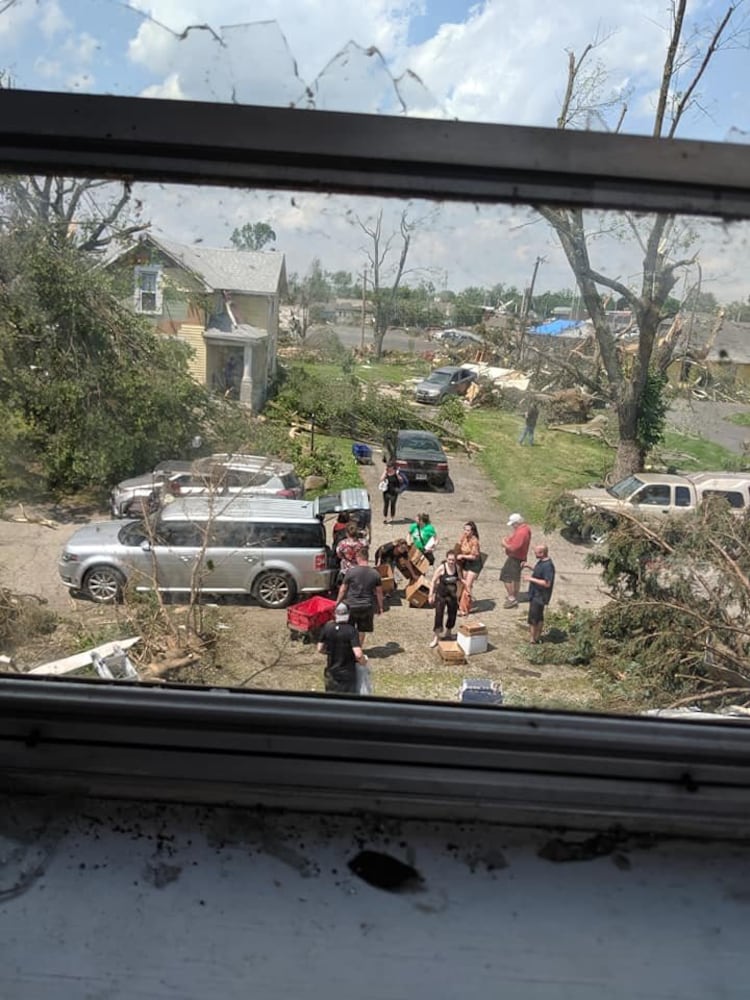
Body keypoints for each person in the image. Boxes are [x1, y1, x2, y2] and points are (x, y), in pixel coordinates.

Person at [337, 549, 384, 648]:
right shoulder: (375, 573)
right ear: (367, 558)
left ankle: (348, 648)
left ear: (358, 558)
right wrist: (380, 607)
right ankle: (358, 648)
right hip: (367, 606)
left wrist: (337, 602)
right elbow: (379, 592)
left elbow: (343, 589)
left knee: (349, 627)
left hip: (352, 605)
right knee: (362, 630)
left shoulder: (351, 572)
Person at [317, 602, 367, 693]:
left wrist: (328, 652)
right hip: (347, 673)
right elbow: (358, 654)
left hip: (331, 671)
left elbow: (320, 648)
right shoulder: (351, 631)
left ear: (335, 614)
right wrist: (363, 662)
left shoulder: (327, 627)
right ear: (348, 614)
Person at [427, 550, 464, 647]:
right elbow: (433, 581)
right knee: (439, 615)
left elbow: (460, 581)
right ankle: (436, 637)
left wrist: (459, 595)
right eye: (449, 560)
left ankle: (448, 632)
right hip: (441, 595)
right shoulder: (441, 568)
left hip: (452, 596)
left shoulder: (457, 568)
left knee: (452, 614)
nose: (451, 562)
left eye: (453, 560)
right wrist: (431, 595)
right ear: (446, 559)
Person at [523, 544, 556, 645]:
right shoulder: (542, 562)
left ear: (542, 553)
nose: (534, 554)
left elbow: (547, 583)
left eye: (536, 552)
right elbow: (539, 572)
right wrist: (529, 566)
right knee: (539, 616)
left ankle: (533, 639)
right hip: (536, 594)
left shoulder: (548, 566)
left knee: (534, 618)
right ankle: (537, 637)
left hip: (540, 596)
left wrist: (530, 579)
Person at [500, 512, 531, 608]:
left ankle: (511, 598)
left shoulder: (521, 532)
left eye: (513, 524)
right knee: (515, 577)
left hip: (515, 558)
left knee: (506, 576)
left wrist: (504, 543)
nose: (512, 526)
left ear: (517, 523)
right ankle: (515, 595)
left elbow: (514, 547)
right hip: (521, 557)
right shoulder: (526, 529)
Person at [455, 520, 482, 616]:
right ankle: (460, 603)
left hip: (474, 563)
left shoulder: (475, 541)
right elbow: (458, 545)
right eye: (465, 529)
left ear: (472, 531)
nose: (466, 532)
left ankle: (464, 609)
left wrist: (462, 556)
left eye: (468, 530)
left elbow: (475, 556)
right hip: (466, 562)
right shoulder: (464, 537)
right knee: (462, 582)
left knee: (468, 584)